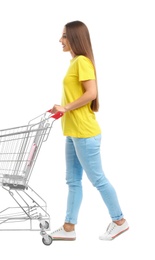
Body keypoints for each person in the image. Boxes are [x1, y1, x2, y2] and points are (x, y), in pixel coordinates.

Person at [49, 20, 129, 241]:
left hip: (84, 133)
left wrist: (65, 107)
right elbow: (77, 95)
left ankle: (119, 221)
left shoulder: (81, 61)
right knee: (73, 181)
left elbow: (91, 93)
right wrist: (61, 107)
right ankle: (68, 228)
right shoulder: (75, 62)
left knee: (98, 180)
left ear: (74, 38)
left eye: (64, 36)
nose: (60, 40)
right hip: (73, 132)